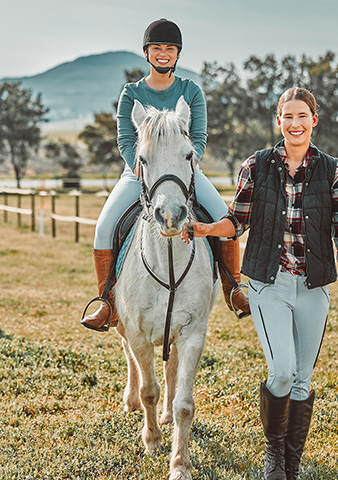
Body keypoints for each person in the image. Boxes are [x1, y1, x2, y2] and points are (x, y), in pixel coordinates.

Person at [181, 87, 338, 480]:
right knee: (281, 373)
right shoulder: (257, 166)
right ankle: (272, 455)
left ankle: (290, 468)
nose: (295, 124)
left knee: (302, 381)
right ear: (278, 121)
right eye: (288, 117)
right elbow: (238, 220)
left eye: (303, 116)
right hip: (269, 284)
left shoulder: (334, 173)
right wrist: (208, 229)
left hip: (314, 288)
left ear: (314, 120)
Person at [81, 18, 250, 332]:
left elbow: (198, 137)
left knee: (224, 221)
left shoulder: (191, 90)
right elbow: (124, 140)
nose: (163, 53)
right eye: (156, 48)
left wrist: (184, 167)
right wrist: (141, 169)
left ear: (177, 54)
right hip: (139, 175)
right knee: (104, 228)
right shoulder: (131, 92)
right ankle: (107, 302)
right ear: (146, 52)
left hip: (186, 174)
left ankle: (233, 288)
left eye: (169, 48)